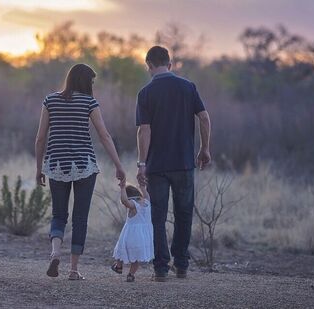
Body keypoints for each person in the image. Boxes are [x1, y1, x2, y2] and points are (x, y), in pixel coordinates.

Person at [35, 63, 126, 280]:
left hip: (56, 164)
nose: (93, 85)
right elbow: (104, 136)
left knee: (58, 214)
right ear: (85, 81)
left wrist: (39, 168)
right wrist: (118, 165)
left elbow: (40, 138)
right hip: (84, 165)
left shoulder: (50, 100)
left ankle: (55, 252)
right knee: (80, 218)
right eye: (92, 81)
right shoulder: (89, 102)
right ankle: (74, 270)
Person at [135, 46, 211, 282]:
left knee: (157, 217)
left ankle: (160, 269)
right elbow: (204, 117)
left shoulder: (145, 93)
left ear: (149, 65)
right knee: (184, 214)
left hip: (157, 166)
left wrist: (141, 163)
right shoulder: (188, 87)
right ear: (170, 64)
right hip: (184, 163)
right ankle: (181, 265)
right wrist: (204, 148)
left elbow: (143, 131)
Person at [111, 182, 154, 282]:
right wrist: (142, 187)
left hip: (131, 234)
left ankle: (119, 266)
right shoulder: (147, 202)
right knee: (136, 257)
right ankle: (131, 274)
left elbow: (124, 201)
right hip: (144, 236)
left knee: (121, 249)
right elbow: (146, 194)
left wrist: (122, 188)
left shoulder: (133, 205)